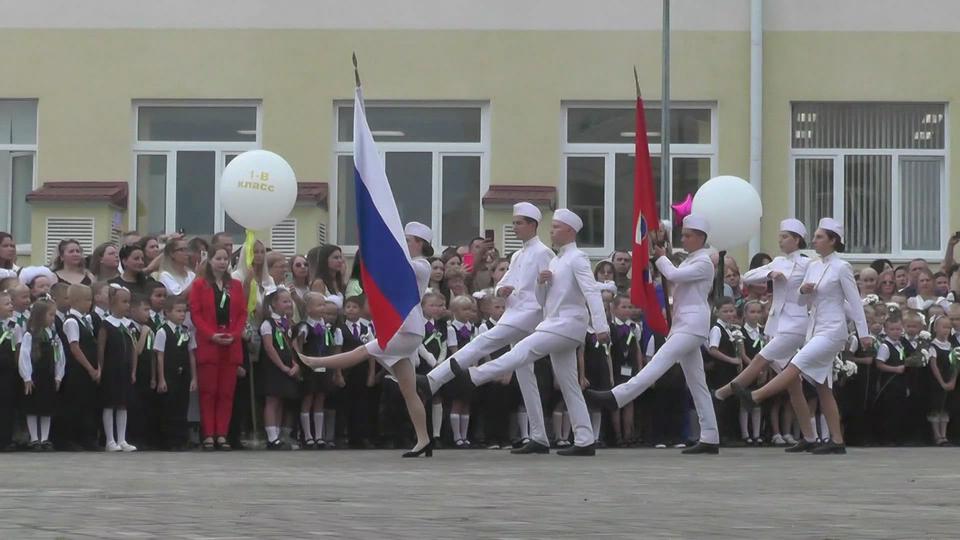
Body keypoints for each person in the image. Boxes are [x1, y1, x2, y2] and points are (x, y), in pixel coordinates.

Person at [448, 208, 608, 456]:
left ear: (570, 231)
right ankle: (585, 440)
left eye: (556, 227)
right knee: (569, 384)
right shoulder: (555, 260)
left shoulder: (578, 258)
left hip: (568, 324)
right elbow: (543, 299)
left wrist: (601, 326)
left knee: (523, 349)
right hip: (555, 323)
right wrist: (541, 282)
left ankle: (475, 376)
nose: (551, 231)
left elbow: (591, 291)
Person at [732, 217, 873, 455]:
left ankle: (755, 396)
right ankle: (836, 440)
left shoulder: (842, 267)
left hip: (833, 330)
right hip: (815, 329)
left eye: (819, 237)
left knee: (795, 365)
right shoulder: (814, 266)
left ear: (833, 241)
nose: (814, 241)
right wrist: (803, 290)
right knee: (823, 387)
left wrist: (864, 333)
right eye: (815, 236)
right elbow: (800, 301)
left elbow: (855, 304)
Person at [586, 214, 720, 455]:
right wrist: (661, 255)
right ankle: (710, 436)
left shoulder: (704, 262)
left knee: (657, 364)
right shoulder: (692, 260)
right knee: (697, 383)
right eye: (684, 234)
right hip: (684, 323)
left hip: (691, 325)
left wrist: (661, 258)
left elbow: (675, 276)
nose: (684, 239)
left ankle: (616, 397)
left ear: (701, 238)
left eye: (688, 235)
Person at [426, 202, 554, 454]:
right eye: (514, 222)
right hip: (515, 310)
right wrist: (501, 290)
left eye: (519, 223)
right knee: (525, 374)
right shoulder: (518, 255)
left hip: (530, 313)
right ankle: (539, 436)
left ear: (532, 225)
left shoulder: (543, 253)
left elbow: (549, 287)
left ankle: (434, 379)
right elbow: (503, 283)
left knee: (484, 340)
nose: (515, 227)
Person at [300, 222, 436, 458]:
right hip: (403, 328)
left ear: (420, 243)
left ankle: (314, 362)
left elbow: (398, 266)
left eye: (409, 239)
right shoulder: (411, 264)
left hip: (406, 329)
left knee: (363, 352)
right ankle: (424, 440)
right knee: (408, 390)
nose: (404, 242)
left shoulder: (421, 265)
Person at [712, 219, 819, 452]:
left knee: (762, 357)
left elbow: (814, 287)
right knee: (793, 385)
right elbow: (748, 277)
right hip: (777, 323)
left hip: (796, 323)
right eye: (780, 236)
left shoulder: (807, 263)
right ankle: (810, 438)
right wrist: (772, 273)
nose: (780, 240)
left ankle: (722, 394)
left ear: (797, 239)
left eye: (785, 237)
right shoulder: (779, 261)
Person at [189, 245, 247, 450]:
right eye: (218, 258)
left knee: (226, 393)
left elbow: (241, 314)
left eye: (225, 259)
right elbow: (196, 315)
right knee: (208, 392)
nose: (222, 262)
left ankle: (222, 433)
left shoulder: (236, 286)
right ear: (210, 260)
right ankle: (209, 434)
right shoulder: (199, 285)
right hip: (209, 343)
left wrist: (234, 334)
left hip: (230, 344)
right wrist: (211, 335)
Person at [294, 294, 343, 449]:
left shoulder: (327, 327)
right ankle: (307, 436)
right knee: (308, 399)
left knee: (320, 400)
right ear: (308, 309)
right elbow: (298, 345)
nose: (323, 308)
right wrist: (301, 364)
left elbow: (334, 348)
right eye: (320, 305)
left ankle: (319, 436)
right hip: (310, 369)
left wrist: (336, 371)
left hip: (324, 368)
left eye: (324, 305)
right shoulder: (304, 327)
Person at [18, 300, 65, 451]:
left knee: (46, 408)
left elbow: (60, 356)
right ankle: (34, 438)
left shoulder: (54, 335)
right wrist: (27, 377)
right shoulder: (30, 335)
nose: (53, 318)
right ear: (40, 315)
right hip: (34, 377)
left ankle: (45, 438)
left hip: (48, 377)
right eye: (50, 315)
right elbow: (24, 355)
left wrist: (58, 375)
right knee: (33, 408)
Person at [60, 285, 101, 450]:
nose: (90, 304)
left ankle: (87, 438)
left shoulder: (87, 320)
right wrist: (90, 368)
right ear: (77, 301)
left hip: (87, 371)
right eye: (88, 300)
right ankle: (71, 439)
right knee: (75, 404)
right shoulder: (71, 321)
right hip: (76, 370)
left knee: (87, 404)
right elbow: (75, 347)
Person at [154, 294, 197, 450]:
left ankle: (181, 439)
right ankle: (168, 441)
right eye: (178, 311)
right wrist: (161, 379)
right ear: (167, 312)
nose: (182, 315)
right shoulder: (162, 331)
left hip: (184, 374)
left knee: (182, 406)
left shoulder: (186, 331)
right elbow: (160, 355)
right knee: (169, 407)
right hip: (169, 373)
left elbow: (191, 354)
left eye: (184, 311)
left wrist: (194, 378)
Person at [98, 285, 138, 452]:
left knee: (123, 405)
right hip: (110, 369)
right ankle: (110, 440)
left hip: (125, 369)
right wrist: (100, 367)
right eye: (124, 302)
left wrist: (134, 370)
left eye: (129, 302)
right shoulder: (106, 324)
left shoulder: (129, 325)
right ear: (113, 302)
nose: (127, 305)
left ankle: (122, 439)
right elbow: (101, 348)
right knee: (109, 404)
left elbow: (135, 348)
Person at [927, 316, 956, 446]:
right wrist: (942, 382)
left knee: (945, 408)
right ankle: (936, 435)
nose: (946, 330)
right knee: (936, 408)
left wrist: (953, 381)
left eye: (949, 328)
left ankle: (944, 435)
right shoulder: (933, 346)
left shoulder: (952, 346)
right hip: (936, 382)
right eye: (943, 327)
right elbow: (934, 366)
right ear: (935, 328)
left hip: (950, 381)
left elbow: (956, 365)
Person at [0, 291, 20, 450]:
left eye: (11, 303)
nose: (11, 306)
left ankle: (6, 439)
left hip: (8, 372)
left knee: (7, 405)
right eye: (7, 304)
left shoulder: (13, 326)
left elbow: (17, 347)